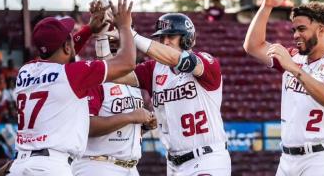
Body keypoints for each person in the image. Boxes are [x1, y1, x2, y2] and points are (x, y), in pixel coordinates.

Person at [7, 0, 136, 176]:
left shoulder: (25, 71)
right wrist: (124, 26)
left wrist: (89, 29)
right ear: (67, 46)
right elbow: (127, 63)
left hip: (20, 164)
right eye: (69, 39)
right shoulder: (71, 74)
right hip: (51, 167)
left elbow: (60, 52)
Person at [243, 0, 324, 176]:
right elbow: (253, 46)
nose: (295, 34)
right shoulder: (294, 58)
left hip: (321, 159)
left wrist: (293, 68)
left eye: (302, 29)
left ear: (321, 29)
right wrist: (266, 6)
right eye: (294, 30)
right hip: (287, 159)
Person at [98, 10, 231, 175]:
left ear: (187, 39)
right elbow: (112, 73)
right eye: (162, 37)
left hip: (207, 159)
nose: (165, 42)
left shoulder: (205, 61)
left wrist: (130, 33)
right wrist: (101, 37)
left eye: (171, 36)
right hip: (174, 164)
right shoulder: (154, 69)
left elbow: (179, 60)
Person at [72, 28, 157, 176]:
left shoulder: (133, 80)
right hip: (98, 165)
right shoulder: (94, 77)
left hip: (130, 166)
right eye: (114, 43)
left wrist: (144, 125)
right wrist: (131, 117)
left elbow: (121, 127)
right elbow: (87, 126)